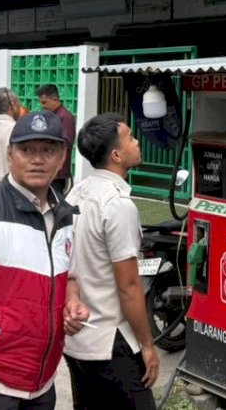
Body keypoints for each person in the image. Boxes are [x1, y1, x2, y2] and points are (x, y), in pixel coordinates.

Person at [0, 110, 82, 410]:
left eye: (48, 150)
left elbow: (69, 275)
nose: (37, 159)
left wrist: (72, 304)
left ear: (61, 158)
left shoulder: (66, 214)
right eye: (27, 150)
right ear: (10, 155)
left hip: (43, 380)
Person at [63, 114, 157, 410]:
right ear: (116, 155)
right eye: (130, 137)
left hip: (77, 340)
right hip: (109, 340)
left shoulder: (76, 193)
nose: (136, 142)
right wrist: (147, 345)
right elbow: (128, 286)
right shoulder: (118, 206)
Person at [36, 84, 76, 197]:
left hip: (58, 173)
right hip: (47, 170)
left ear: (55, 99)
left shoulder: (65, 117)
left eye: (44, 102)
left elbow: (65, 144)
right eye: (40, 102)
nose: (42, 106)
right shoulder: (48, 115)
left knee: (56, 205)